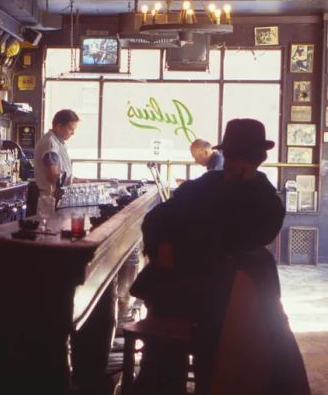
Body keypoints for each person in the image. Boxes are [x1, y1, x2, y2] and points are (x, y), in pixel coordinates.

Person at [130, 118, 309, 395]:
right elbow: (156, 220)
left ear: (255, 161)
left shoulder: (263, 196)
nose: (232, 164)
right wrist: (163, 245)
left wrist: (243, 187)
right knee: (244, 327)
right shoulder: (205, 186)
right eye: (234, 158)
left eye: (242, 159)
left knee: (264, 331)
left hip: (228, 294)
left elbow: (257, 234)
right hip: (188, 288)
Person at [33, 109, 79, 195]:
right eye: (70, 129)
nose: (73, 133)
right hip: (52, 196)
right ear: (59, 126)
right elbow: (53, 176)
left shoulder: (58, 142)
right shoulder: (51, 143)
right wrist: (72, 180)